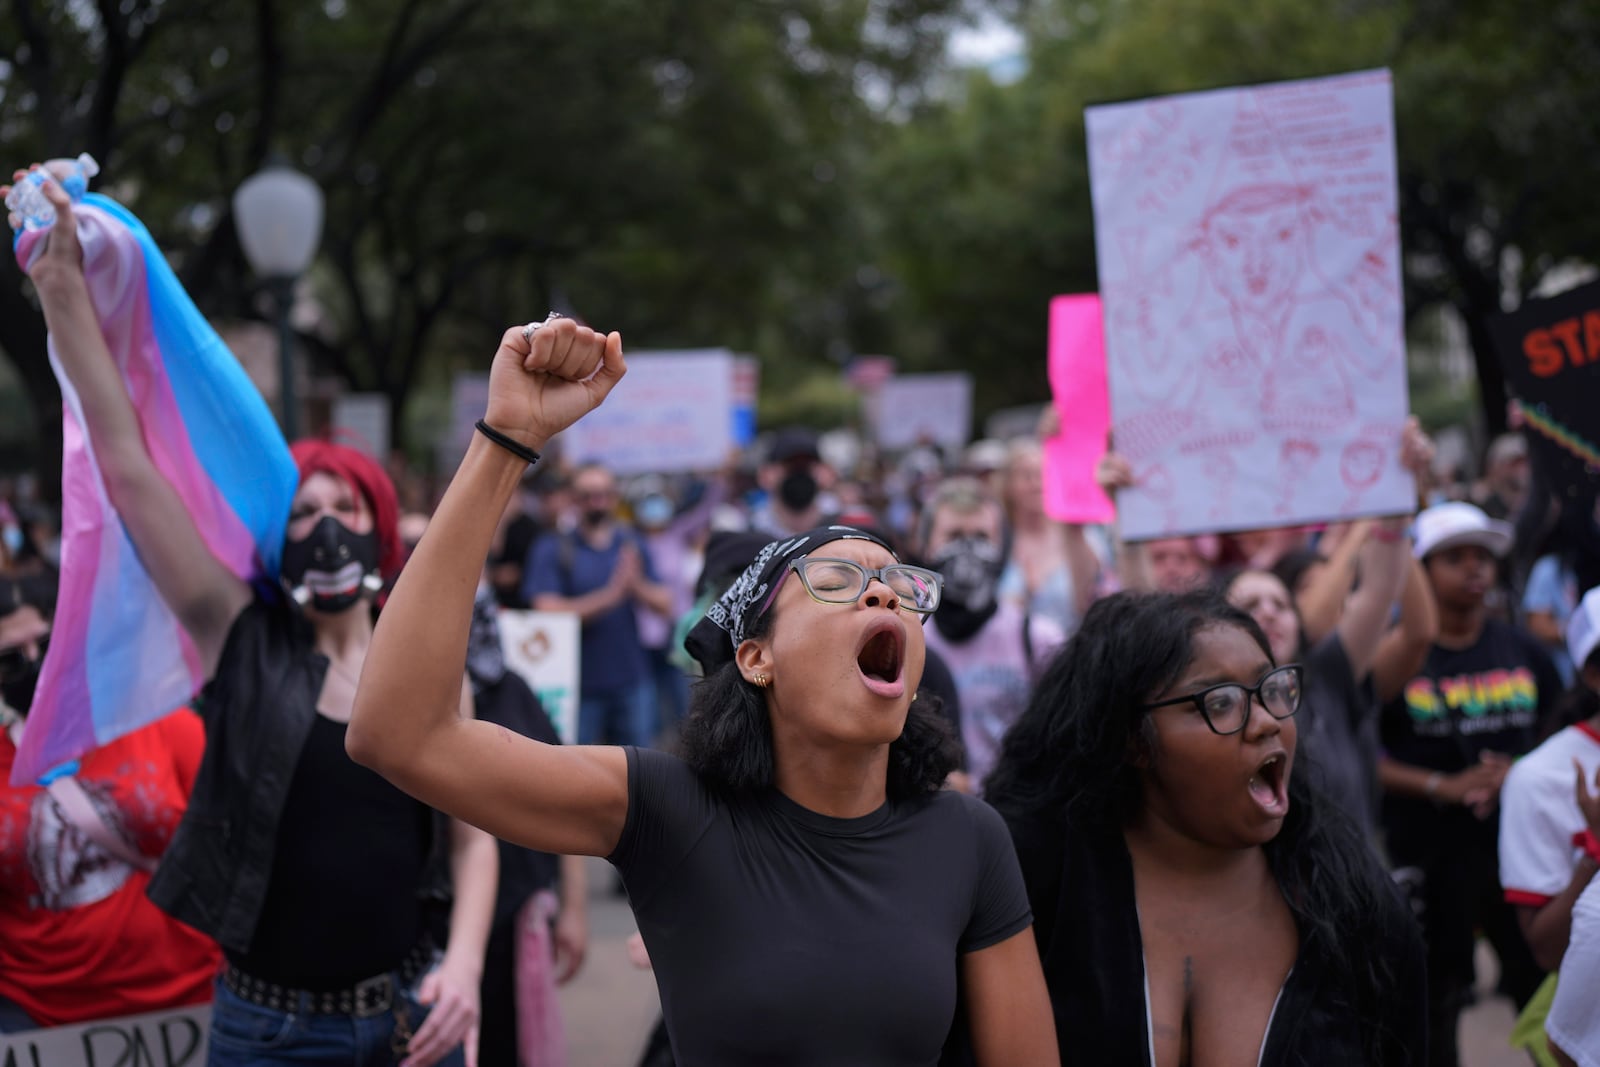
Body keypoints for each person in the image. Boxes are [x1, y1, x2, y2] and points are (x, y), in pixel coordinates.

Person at [347, 316, 1058, 1065]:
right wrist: (506, 440)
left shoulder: (969, 839)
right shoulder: (669, 809)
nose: (882, 598)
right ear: (756, 657)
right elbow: (398, 733)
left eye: (898, 587)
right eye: (838, 581)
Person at [11, 167, 495, 1067]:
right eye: (303, 514)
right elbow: (126, 464)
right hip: (265, 1030)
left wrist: (464, 966)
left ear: (380, 529)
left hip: (401, 1022)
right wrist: (60, 286)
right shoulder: (236, 633)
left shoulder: (433, 667)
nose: (324, 530)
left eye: (344, 511)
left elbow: (474, 839)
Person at [985, 590, 1428, 1065]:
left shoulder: (1355, 905)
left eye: (1272, 690)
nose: (1265, 723)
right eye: (1219, 703)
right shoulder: (1034, 887)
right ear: (1134, 740)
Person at [1379, 500, 1560, 1065]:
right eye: (1455, 558)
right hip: (1432, 859)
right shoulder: (1396, 657)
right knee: (1438, 999)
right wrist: (1441, 785)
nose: (1475, 569)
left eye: (1482, 557)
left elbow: (1565, 734)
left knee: (1545, 993)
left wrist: (1523, 773)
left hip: (1522, 858)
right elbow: (1362, 757)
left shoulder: (1525, 651)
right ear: (1423, 571)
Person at [0, 577, 219, 1031]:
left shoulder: (165, 726)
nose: (34, 665)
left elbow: (232, 851)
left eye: (47, 644)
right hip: (41, 1023)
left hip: (199, 1000)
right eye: (10, 659)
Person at [1224, 515, 1423, 834]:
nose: (1268, 612)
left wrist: (1392, 517)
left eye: (1281, 604)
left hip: (1352, 880)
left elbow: (1380, 590)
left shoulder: (1327, 676)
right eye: (1250, 605)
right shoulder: (1213, 703)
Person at [916, 477, 1062, 791]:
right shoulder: (910, 640)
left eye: (981, 536)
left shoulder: (1038, 639)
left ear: (1002, 547)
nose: (968, 548)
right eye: (953, 535)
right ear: (927, 546)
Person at [523, 462, 673, 748]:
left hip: (632, 679)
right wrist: (610, 596)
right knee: (575, 778)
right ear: (573, 499)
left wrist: (635, 586)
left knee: (637, 777)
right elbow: (545, 610)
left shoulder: (631, 543)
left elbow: (666, 603)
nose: (598, 502)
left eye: (605, 494)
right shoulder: (553, 547)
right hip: (577, 687)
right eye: (589, 495)